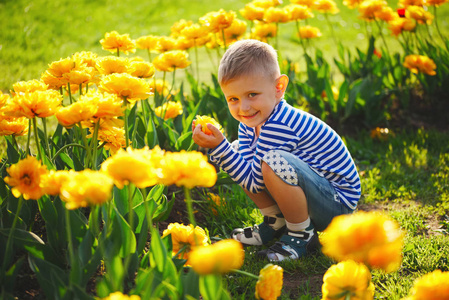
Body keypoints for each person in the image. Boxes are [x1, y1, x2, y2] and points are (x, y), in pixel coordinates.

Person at [192, 39, 361, 262]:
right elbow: (251, 173)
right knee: (240, 153)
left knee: (272, 161)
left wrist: (219, 148)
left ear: (278, 88)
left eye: (252, 94)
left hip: (336, 204)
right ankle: (276, 221)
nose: (244, 107)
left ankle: (303, 235)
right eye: (233, 98)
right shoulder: (250, 124)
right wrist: (224, 149)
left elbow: (254, 181)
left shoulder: (281, 124)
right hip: (315, 191)